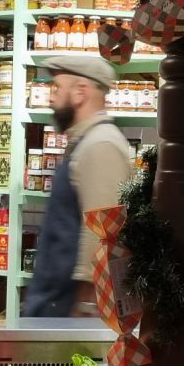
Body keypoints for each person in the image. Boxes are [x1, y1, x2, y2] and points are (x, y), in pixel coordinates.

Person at [22, 55, 135, 317]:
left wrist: (85, 307)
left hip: (69, 310)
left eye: (56, 88)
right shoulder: (86, 141)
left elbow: (103, 235)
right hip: (56, 304)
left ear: (80, 92)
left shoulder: (101, 145)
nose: (51, 98)